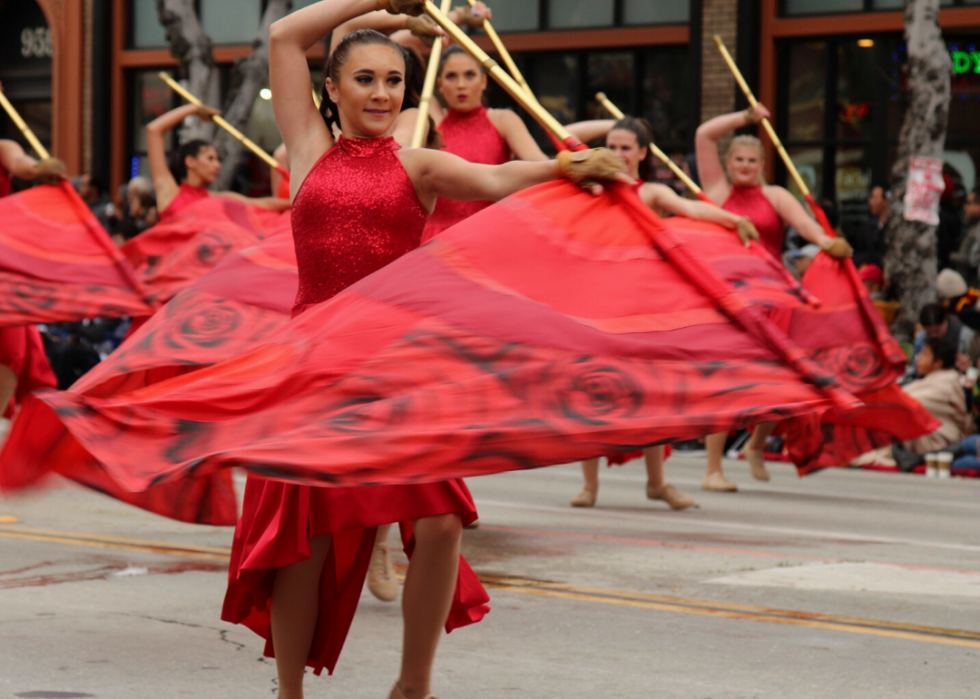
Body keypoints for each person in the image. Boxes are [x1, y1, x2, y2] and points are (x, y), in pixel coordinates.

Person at [230, 3, 629, 698]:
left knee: (442, 522)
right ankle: (289, 690)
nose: (382, 93)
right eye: (364, 79)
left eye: (393, 79)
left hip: (396, 365)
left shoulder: (416, 164)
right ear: (332, 88)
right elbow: (283, 33)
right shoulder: (306, 150)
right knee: (308, 537)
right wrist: (382, 3)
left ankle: (414, 683)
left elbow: (498, 180)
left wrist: (569, 169)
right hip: (316, 364)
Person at [568, 116, 764, 512]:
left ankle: (656, 483)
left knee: (650, 395)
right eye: (612, 146)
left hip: (641, 305)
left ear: (643, 153)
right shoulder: (589, 188)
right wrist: (613, 122)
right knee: (592, 390)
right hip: (595, 300)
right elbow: (564, 134)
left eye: (627, 147)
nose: (618, 154)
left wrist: (733, 219)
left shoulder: (651, 193)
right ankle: (589, 485)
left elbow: (691, 208)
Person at [695, 102, 853, 491]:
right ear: (728, 162)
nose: (745, 165)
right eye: (739, 159)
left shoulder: (776, 195)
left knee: (780, 375)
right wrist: (745, 119)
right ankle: (713, 468)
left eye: (752, 159)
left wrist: (828, 243)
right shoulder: (717, 190)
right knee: (725, 382)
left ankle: (757, 443)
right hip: (729, 297)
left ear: (763, 161)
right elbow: (703, 135)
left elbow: (806, 225)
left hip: (771, 295)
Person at [421, 44, 615, 241]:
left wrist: (574, 167)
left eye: (469, 75)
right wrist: (453, 20)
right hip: (435, 241)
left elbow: (536, 161)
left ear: (484, 81)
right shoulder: (428, 120)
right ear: (439, 85)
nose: (461, 84)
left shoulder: (503, 119)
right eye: (451, 76)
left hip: (489, 237)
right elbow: (398, 50)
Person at [0, 137, 63, 440]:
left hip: (2, 268)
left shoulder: (2, 147)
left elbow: (22, 165)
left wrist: (39, 168)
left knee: (9, 349)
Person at [145, 104, 290, 221]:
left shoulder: (218, 199)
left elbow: (263, 204)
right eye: (210, 158)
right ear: (190, 161)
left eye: (217, 159)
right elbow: (153, 131)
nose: (217, 165)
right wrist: (194, 109)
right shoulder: (169, 193)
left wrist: (298, 202)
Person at [853, 337, 972, 468]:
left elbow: (908, 401)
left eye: (925, 354)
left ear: (938, 363)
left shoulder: (947, 382)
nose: (918, 357)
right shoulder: (933, 379)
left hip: (939, 441)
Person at [910, 302, 974, 380]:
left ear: (945, 321)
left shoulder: (965, 336)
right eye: (929, 333)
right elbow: (916, 367)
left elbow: (973, 366)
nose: (934, 336)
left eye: (938, 331)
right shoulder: (920, 340)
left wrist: (968, 367)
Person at [852, 184, 888, 267]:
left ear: (885, 201)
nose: (870, 202)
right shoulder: (866, 228)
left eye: (874, 198)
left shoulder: (895, 228)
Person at [951, 187, 980, 286]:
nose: (965, 207)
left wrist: (950, 256)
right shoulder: (972, 226)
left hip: (972, 286)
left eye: (968, 203)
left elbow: (972, 259)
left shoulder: (977, 229)